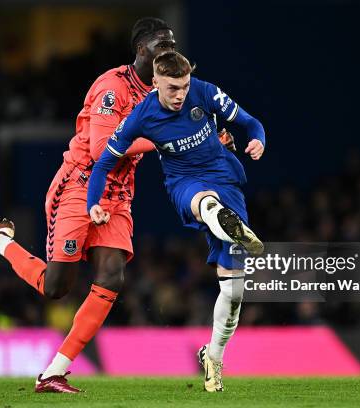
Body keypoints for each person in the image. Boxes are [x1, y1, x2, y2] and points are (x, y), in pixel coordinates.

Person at [0, 18, 235, 393]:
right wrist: (162, 142)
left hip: (119, 196)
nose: (169, 51)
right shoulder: (112, 88)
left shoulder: (168, 92)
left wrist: (213, 139)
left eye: (172, 44)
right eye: (161, 45)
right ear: (142, 50)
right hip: (78, 185)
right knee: (56, 287)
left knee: (111, 276)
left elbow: (189, 129)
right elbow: (99, 148)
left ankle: (53, 372)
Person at [86, 51, 265, 392]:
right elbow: (104, 162)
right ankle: (220, 218)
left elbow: (251, 123)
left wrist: (258, 140)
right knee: (204, 203)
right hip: (184, 183)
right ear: (155, 83)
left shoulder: (204, 92)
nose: (180, 94)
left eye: (183, 86)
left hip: (224, 176)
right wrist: (93, 202)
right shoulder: (141, 116)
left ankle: (213, 356)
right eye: (172, 88)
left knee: (234, 289)